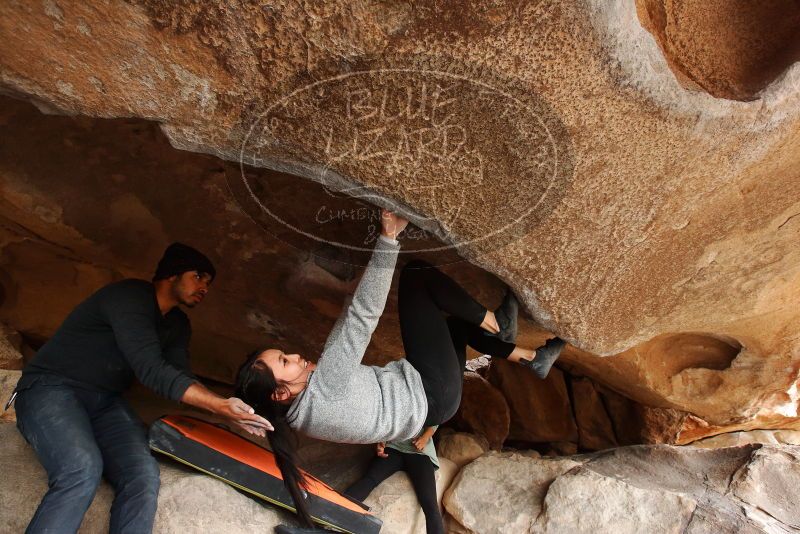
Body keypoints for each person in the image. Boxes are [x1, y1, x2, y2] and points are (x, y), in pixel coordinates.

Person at [236, 210, 565, 527]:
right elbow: (361, 317)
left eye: (285, 354)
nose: (295, 356)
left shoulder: (305, 417)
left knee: (453, 328)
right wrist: (388, 236)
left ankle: (529, 358)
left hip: (431, 406)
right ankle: (497, 324)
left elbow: (351, 325)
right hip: (428, 391)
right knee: (417, 277)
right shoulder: (322, 388)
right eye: (284, 362)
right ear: (280, 392)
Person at [12, 242, 271, 534]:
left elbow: (178, 375)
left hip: (105, 403)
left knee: (143, 477)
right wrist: (218, 404)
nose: (205, 288)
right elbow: (151, 369)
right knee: (81, 469)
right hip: (50, 389)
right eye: (198, 276)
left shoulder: (177, 324)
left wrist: (225, 409)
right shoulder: (129, 297)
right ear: (172, 274)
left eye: (208, 283)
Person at [345, 426, 445, 534]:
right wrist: (382, 441)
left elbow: (437, 416)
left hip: (420, 453)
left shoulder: (432, 409)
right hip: (393, 449)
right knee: (369, 480)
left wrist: (425, 438)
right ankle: (331, 511)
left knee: (429, 502)